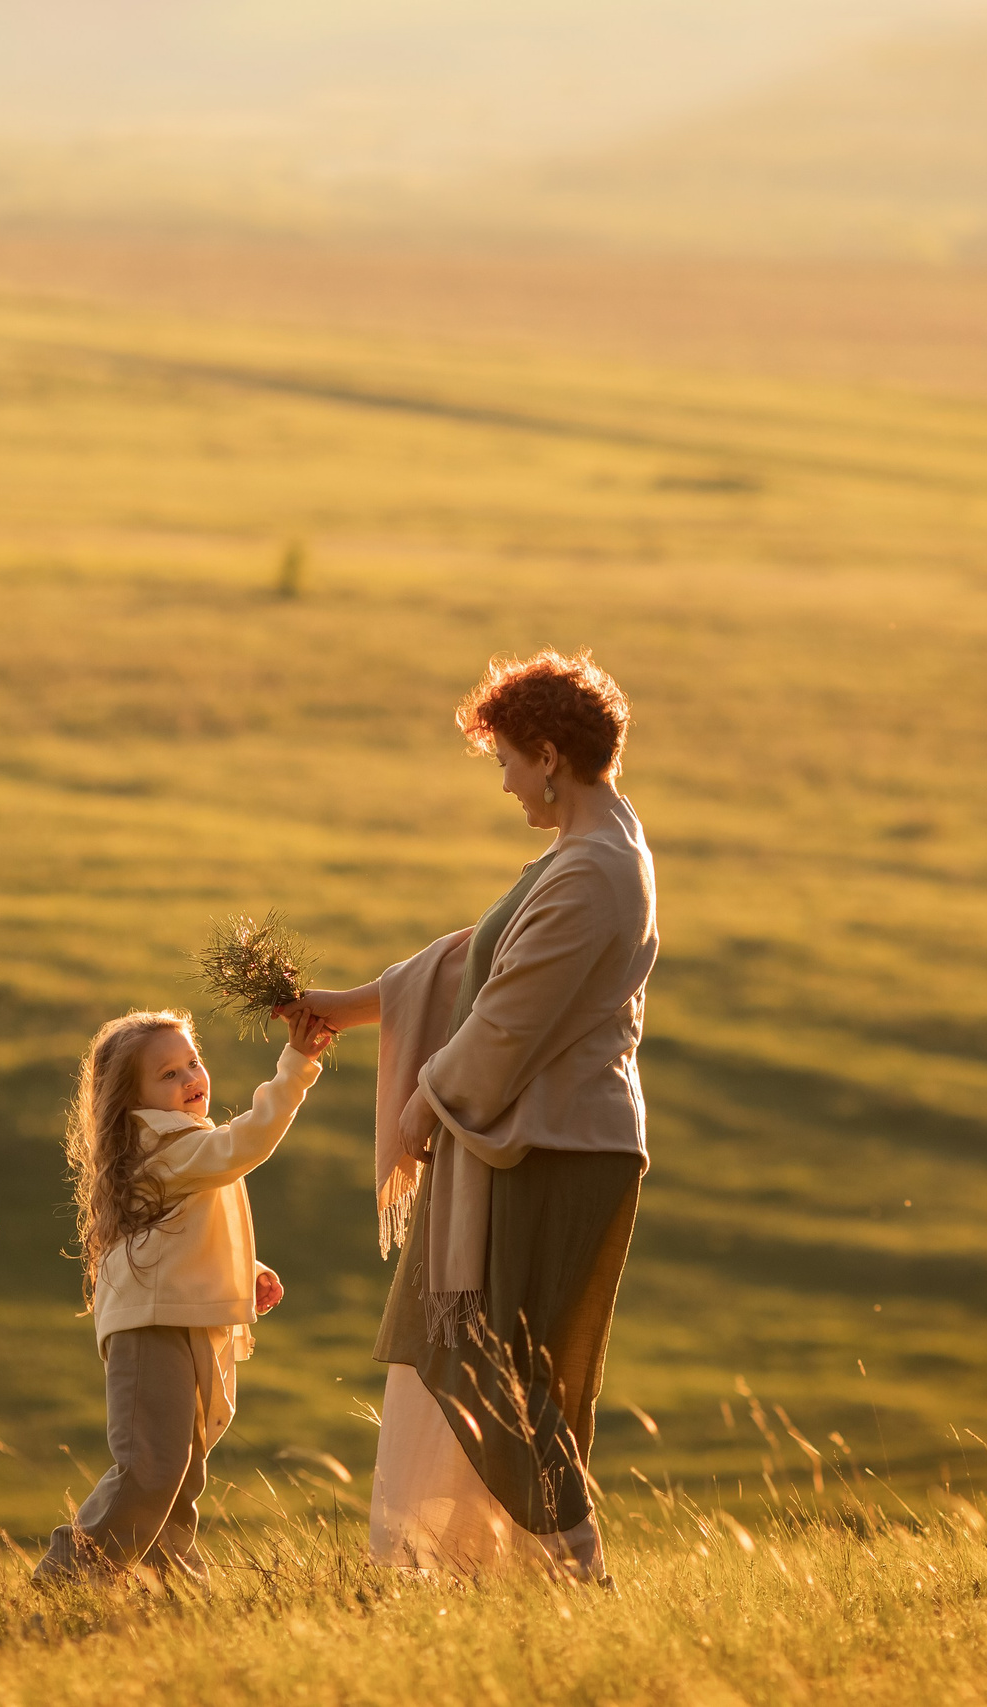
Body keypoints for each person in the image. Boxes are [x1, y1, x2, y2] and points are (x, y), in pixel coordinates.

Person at [286, 649, 655, 1581]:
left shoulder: (595, 869)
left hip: (557, 1145)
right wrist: (344, 1004)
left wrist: (423, 1104)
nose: (503, 782)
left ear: (547, 754)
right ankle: (521, 1576)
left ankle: (578, 1577)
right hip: (534, 1140)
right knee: (495, 1361)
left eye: (504, 761)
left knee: (510, 1367)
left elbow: (506, 1019)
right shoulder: (583, 852)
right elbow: (466, 963)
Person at [33, 1003, 338, 1583]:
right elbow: (244, 1144)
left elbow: (180, 1232)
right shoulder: (163, 1145)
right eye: (168, 1074)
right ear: (131, 1099)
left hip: (176, 1313)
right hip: (153, 1324)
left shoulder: (177, 1143)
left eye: (192, 1063)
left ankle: (168, 1583)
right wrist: (296, 1065)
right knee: (151, 1466)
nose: (190, 1080)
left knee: (181, 1471)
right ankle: (68, 1572)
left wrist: (244, 1267)